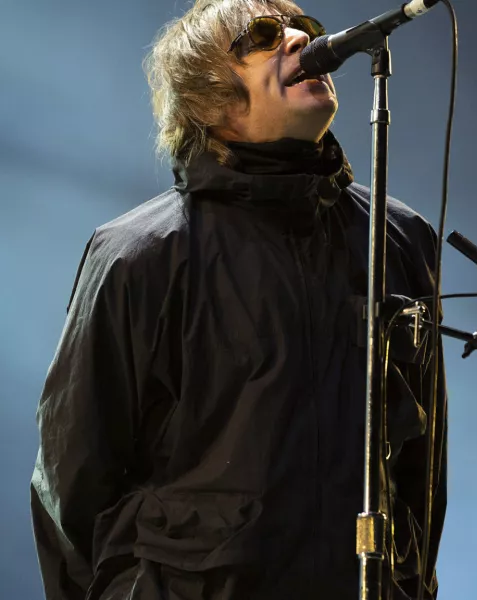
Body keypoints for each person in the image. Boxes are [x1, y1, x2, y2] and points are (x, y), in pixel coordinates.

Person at [29, 1, 447, 599]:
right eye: (264, 35)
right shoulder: (137, 254)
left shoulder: (398, 238)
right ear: (208, 94)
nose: (302, 38)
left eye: (305, 27)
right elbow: (73, 478)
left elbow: (424, 464)